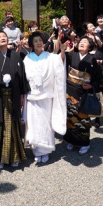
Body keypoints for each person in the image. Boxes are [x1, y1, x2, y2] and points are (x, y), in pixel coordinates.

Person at [0, 30, 30, 169]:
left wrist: (22, 95)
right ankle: (0, 157)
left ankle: (14, 156)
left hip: (13, 96)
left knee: (13, 126)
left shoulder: (15, 56)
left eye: (4, 36)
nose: (2, 38)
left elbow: (21, 76)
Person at [23, 31, 67, 164]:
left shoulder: (51, 57)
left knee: (46, 124)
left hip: (47, 96)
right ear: (31, 44)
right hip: (32, 96)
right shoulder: (27, 58)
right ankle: (36, 150)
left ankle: (46, 150)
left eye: (40, 40)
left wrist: (63, 52)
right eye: (35, 41)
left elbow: (60, 68)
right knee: (34, 123)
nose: (39, 43)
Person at [64, 37, 102, 155]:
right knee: (70, 117)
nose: (82, 43)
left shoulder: (92, 59)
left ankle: (85, 143)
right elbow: (61, 62)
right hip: (70, 91)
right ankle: (71, 140)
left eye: (85, 42)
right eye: (81, 42)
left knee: (83, 119)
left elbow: (98, 77)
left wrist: (91, 86)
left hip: (82, 92)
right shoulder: (71, 55)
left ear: (90, 47)